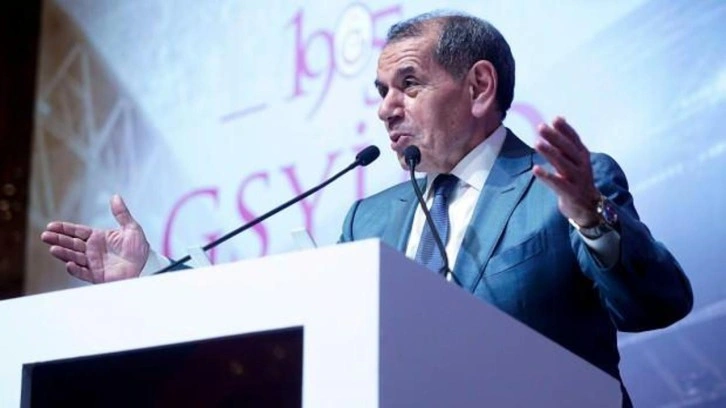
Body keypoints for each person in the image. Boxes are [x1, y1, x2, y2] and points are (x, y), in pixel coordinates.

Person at [41, 11, 692, 406]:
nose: (385, 108)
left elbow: (655, 305)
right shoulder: (369, 219)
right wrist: (150, 277)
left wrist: (591, 218)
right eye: (381, 90)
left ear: (478, 86)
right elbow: (282, 321)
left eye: (408, 84)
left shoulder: (566, 186)